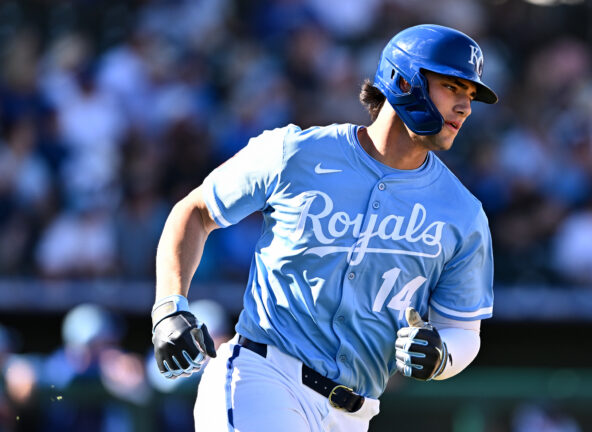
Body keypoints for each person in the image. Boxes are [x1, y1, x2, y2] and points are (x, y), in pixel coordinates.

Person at [150, 24, 497, 432]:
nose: (465, 107)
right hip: (263, 378)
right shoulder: (295, 152)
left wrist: (441, 355)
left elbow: (463, 331)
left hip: (355, 412)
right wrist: (168, 307)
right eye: (453, 87)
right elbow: (195, 211)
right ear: (405, 80)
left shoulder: (463, 212)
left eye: (470, 95)